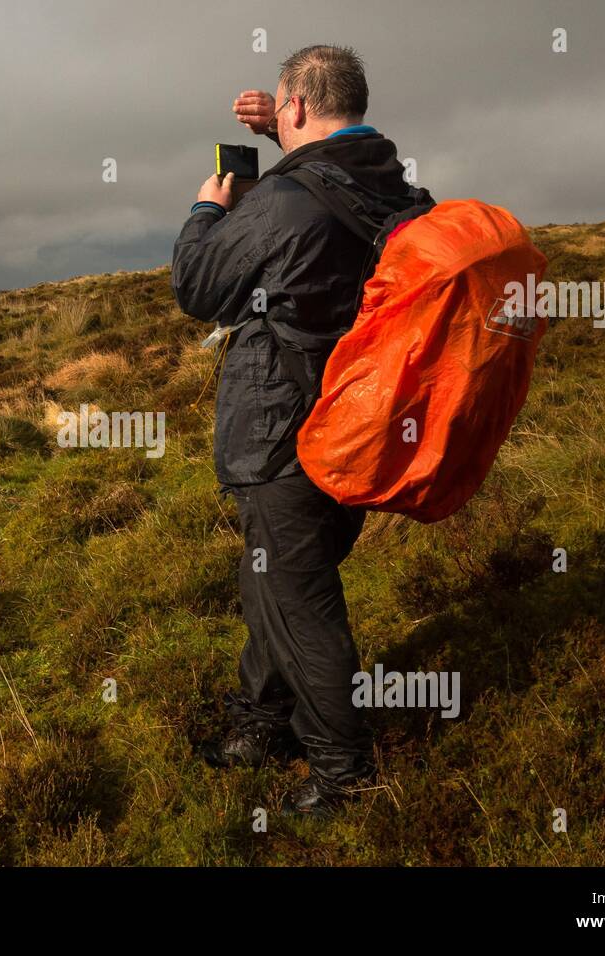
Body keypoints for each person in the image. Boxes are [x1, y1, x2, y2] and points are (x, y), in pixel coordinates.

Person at [171, 45, 424, 817]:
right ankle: (261, 723)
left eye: (282, 110)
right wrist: (282, 147)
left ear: (299, 109)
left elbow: (198, 285)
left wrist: (210, 208)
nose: (277, 122)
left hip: (283, 435)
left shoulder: (283, 203)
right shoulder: (396, 190)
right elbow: (323, 184)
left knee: (300, 604)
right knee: (274, 582)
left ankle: (344, 776)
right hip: (359, 423)